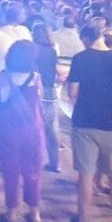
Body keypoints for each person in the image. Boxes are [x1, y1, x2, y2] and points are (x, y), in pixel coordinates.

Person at [67, 22, 112, 222]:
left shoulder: (80, 59)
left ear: (86, 38)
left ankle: (83, 217)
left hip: (84, 122)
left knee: (86, 175)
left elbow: (72, 92)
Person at [0, 40, 44, 222]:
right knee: (33, 170)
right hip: (32, 129)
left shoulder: (3, 76)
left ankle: (11, 211)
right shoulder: (35, 77)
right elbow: (40, 99)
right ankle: (34, 211)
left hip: (8, 129)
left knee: (10, 169)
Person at [32, 23, 62, 172]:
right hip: (50, 90)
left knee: (35, 125)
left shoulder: (33, 50)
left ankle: (34, 160)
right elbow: (55, 70)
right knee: (51, 128)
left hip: (36, 89)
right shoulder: (52, 50)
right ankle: (54, 162)